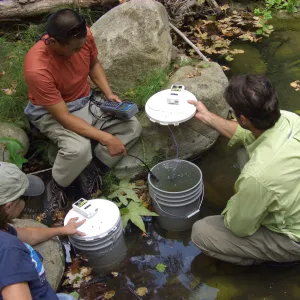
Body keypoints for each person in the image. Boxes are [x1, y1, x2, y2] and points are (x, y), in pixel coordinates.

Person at [23, 9, 142, 212]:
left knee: (132, 127)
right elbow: (64, 118)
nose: (79, 51)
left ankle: (93, 169)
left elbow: (93, 64)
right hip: (52, 112)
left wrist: (108, 93)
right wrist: (106, 138)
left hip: (85, 101)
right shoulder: (37, 69)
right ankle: (58, 185)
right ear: (52, 42)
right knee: (79, 150)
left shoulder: (82, 36)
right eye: (74, 49)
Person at [189, 74, 300, 265]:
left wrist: (241, 197)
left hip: (293, 237)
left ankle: (265, 258)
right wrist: (206, 116)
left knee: (201, 233)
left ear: (242, 118)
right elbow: (244, 133)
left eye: (232, 113)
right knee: (243, 150)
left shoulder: (257, 177)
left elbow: (239, 227)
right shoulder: (291, 120)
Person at [0, 162, 85, 300]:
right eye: (25, 198)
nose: (26, 202)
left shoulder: (4, 232)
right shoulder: (9, 250)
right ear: (8, 207)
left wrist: (62, 230)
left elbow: (27, 234)